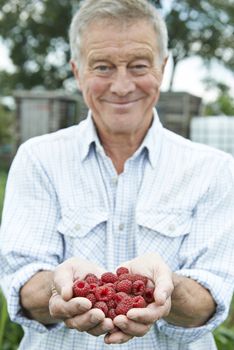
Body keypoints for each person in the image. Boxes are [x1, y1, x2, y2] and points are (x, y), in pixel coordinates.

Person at [0, 0, 234, 349]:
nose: (122, 86)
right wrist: (58, 287)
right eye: (103, 67)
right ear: (77, 71)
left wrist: (168, 287)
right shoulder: (39, 159)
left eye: (139, 66)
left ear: (163, 67)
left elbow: (211, 298)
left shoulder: (214, 169)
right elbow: (22, 282)